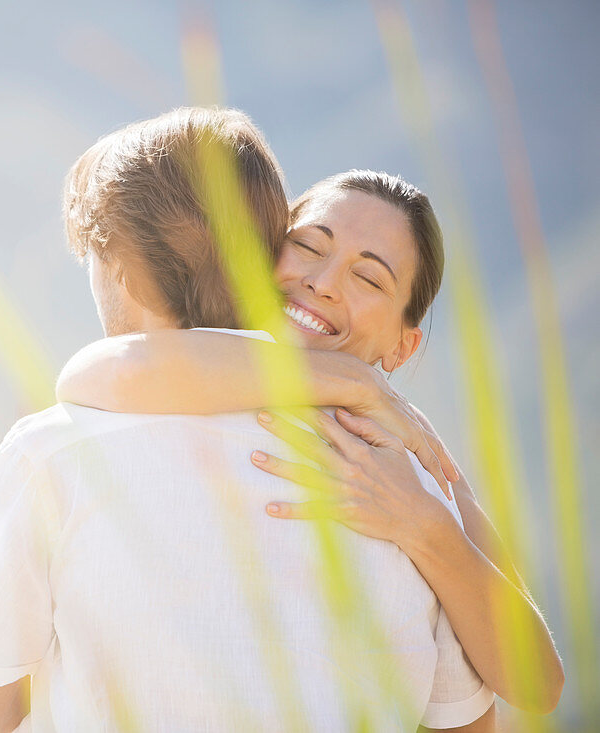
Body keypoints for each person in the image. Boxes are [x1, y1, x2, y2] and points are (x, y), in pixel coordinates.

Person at [0, 107, 499, 731]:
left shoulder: (56, 453)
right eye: (309, 247)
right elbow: (472, 719)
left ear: (120, 271)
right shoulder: (391, 481)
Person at [55, 169, 565, 716]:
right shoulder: (203, 364)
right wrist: (355, 380)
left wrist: (417, 520)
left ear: (402, 347)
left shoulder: (404, 464)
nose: (323, 281)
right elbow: (92, 374)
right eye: (306, 245)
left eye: (369, 279)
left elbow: (536, 685)